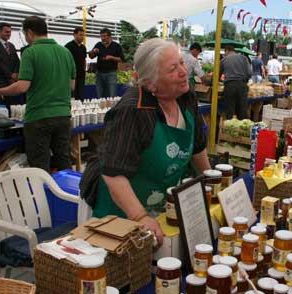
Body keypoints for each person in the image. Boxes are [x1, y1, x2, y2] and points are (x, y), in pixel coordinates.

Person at [80, 38, 211, 245]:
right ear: (150, 83)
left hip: (162, 205)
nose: (184, 72)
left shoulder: (186, 97)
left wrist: (210, 181)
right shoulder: (133, 110)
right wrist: (140, 217)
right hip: (123, 212)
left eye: (182, 63)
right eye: (172, 69)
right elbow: (114, 173)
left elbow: (198, 147)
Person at [0, 16, 76, 172]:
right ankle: (66, 194)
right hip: (63, 115)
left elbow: (22, 87)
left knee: (40, 166)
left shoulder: (30, 52)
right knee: (63, 161)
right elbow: (71, 86)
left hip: (39, 117)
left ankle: (42, 195)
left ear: (29, 32)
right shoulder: (65, 52)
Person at [0, 22, 20, 106]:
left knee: (14, 106)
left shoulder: (11, 45)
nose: (9, 34)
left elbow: (17, 61)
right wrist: (10, 75)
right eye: (6, 32)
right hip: (0, 81)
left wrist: (16, 74)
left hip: (13, 82)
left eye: (10, 32)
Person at [89, 28, 124, 98]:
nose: (102, 38)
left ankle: (111, 108)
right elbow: (91, 57)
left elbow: (121, 59)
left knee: (112, 95)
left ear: (110, 37)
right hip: (99, 73)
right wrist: (93, 52)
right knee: (99, 95)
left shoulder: (116, 46)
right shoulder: (98, 45)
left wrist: (111, 57)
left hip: (111, 73)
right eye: (101, 36)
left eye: (104, 36)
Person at [220, 46, 252, 119]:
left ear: (227, 50)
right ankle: (241, 128)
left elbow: (218, 75)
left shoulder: (223, 60)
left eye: (225, 52)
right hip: (242, 85)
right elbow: (250, 73)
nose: (225, 54)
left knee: (229, 110)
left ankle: (230, 127)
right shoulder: (244, 58)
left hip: (229, 86)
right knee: (242, 110)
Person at [65, 27, 87, 100]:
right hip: (71, 75)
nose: (82, 37)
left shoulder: (83, 47)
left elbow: (84, 60)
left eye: (83, 35)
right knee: (72, 95)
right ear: (74, 35)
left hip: (81, 75)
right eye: (80, 35)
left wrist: (84, 70)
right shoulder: (68, 46)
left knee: (80, 95)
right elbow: (65, 61)